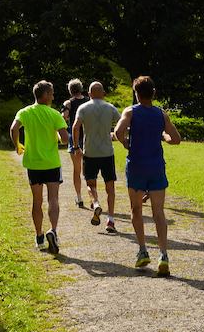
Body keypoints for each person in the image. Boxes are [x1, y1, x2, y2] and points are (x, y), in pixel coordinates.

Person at [114, 76, 181, 277]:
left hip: (136, 166)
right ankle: (163, 255)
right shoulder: (161, 114)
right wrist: (163, 136)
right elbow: (176, 139)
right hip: (156, 166)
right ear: (154, 93)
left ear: (136, 93)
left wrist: (126, 143)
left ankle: (143, 250)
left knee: (136, 209)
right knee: (158, 212)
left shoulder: (130, 111)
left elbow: (118, 132)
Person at [11, 80, 69, 254]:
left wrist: (17, 145)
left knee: (37, 201)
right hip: (51, 163)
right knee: (53, 199)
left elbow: (14, 128)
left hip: (33, 163)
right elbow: (65, 139)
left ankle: (39, 237)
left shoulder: (25, 112)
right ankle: (54, 231)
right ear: (44, 95)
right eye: (51, 93)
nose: (53, 96)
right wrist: (58, 137)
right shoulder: (54, 114)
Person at [72, 81, 121, 233]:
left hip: (90, 152)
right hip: (107, 152)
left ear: (89, 93)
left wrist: (76, 146)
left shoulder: (83, 107)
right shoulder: (110, 107)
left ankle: (96, 202)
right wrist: (117, 137)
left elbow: (75, 127)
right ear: (104, 93)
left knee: (90, 183)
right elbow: (121, 124)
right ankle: (111, 220)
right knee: (110, 187)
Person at [61, 79, 91, 208]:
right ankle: (92, 197)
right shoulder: (89, 101)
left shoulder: (68, 103)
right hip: (88, 138)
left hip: (75, 138)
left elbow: (64, 117)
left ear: (70, 90)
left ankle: (79, 197)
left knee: (76, 170)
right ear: (81, 88)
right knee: (89, 170)